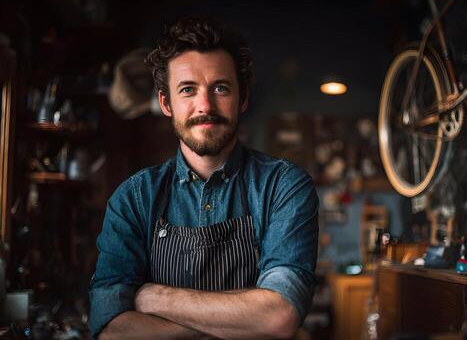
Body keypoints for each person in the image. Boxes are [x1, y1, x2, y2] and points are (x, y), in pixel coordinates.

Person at [89, 17, 319, 339]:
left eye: (220, 88)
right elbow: (111, 329)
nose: (205, 105)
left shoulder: (283, 186)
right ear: (166, 103)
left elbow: (278, 316)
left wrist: (156, 297)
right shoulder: (134, 198)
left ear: (243, 98)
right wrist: (241, 323)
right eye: (187, 89)